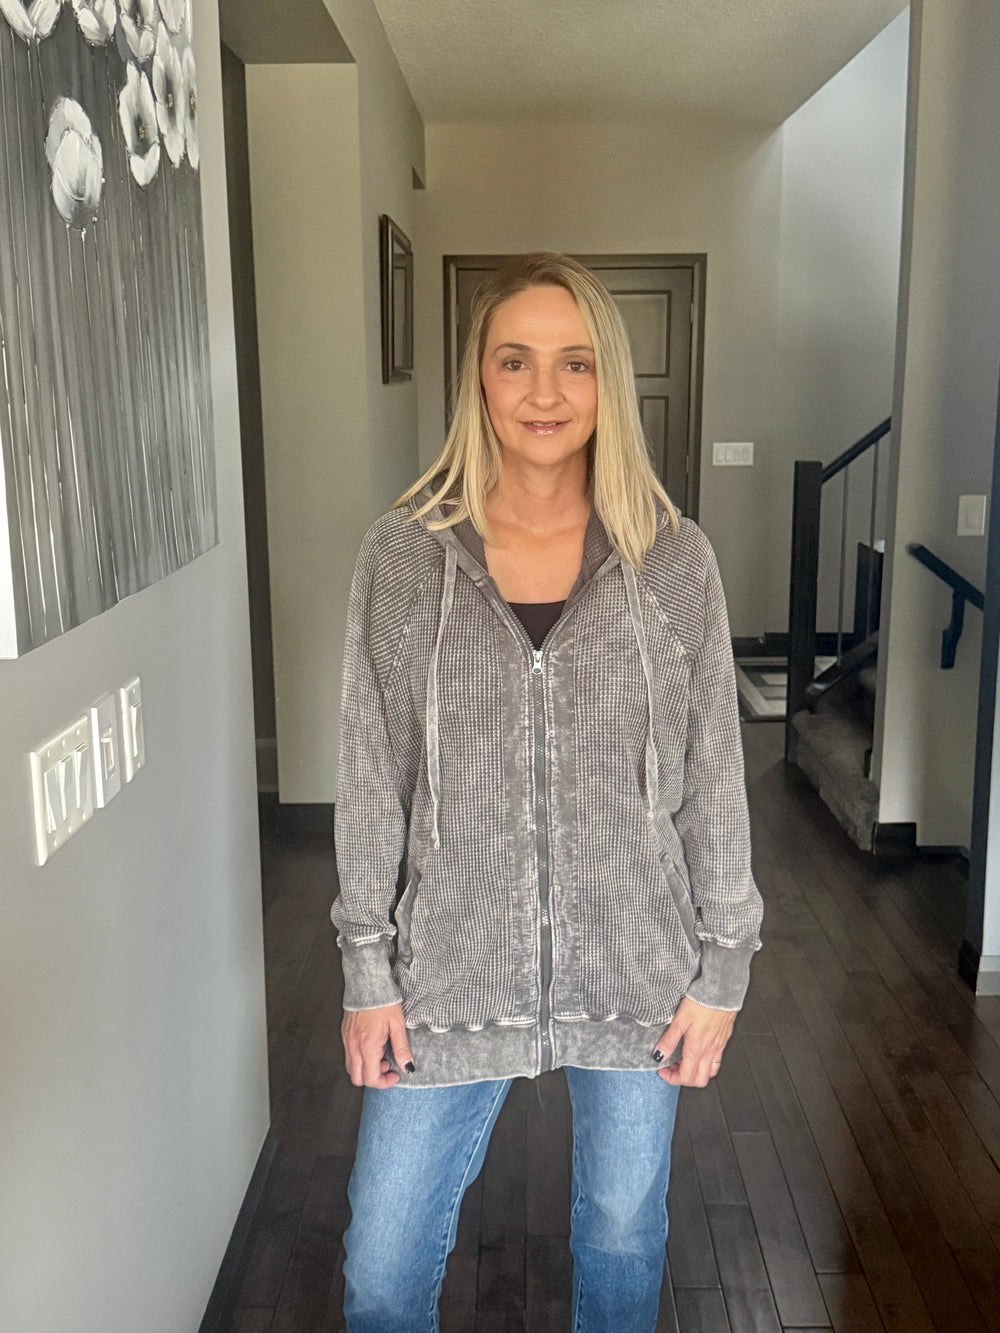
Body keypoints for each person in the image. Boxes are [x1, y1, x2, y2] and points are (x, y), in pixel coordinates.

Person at [331, 252, 764, 1333]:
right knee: (381, 1266)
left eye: (575, 363)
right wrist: (366, 968)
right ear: (477, 379)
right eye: (514, 360)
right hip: (448, 969)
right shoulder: (404, 557)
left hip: (636, 966)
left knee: (621, 1240)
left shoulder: (672, 561)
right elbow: (371, 775)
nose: (544, 391)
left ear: (608, 382)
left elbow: (715, 771)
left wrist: (724, 966)